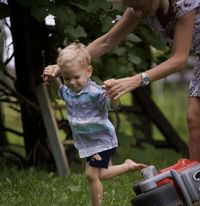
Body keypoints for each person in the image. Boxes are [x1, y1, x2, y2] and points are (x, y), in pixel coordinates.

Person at [43, 0, 200, 162]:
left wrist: (136, 80)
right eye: (132, 8)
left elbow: (179, 59)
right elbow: (107, 41)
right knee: (194, 119)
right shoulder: (139, 7)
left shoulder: (184, 3)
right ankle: (196, 180)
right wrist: (64, 66)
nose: (137, 13)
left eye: (140, 7)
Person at [42, 42, 146, 206]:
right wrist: (54, 80)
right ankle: (127, 166)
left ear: (88, 71)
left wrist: (112, 93)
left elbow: (112, 105)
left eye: (76, 77)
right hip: (87, 143)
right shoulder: (69, 91)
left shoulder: (96, 92)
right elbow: (58, 93)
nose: (72, 82)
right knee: (102, 174)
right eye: (67, 78)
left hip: (102, 141)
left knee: (91, 175)